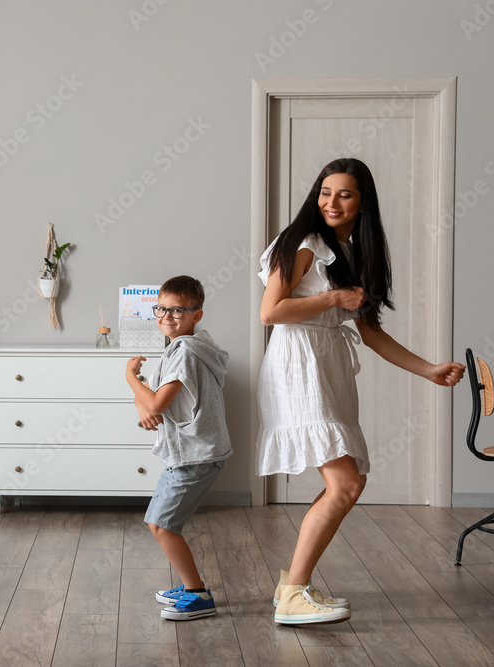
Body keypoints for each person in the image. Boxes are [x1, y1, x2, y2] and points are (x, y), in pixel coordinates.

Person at [257, 158, 465, 625]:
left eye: (344, 194)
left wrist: (428, 369)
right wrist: (333, 298)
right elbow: (270, 313)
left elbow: (371, 334)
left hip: (328, 365)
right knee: (347, 483)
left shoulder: (354, 255)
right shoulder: (305, 244)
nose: (331, 202)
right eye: (325, 192)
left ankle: (292, 582)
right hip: (298, 365)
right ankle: (293, 594)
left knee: (346, 483)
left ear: (362, 202)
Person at [126, 275, 232, 621]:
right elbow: (156, 407)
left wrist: (130, 379)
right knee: (160, 522)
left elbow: (156, 405)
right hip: (191, 453)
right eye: (161, 309)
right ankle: (190, 588)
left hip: (194, 456)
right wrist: (146, 407)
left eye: (177, 311)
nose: (166, 317)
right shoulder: (184, 348)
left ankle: (198, 594)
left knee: (161, 525)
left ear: (195, 315)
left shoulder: (185, 353)